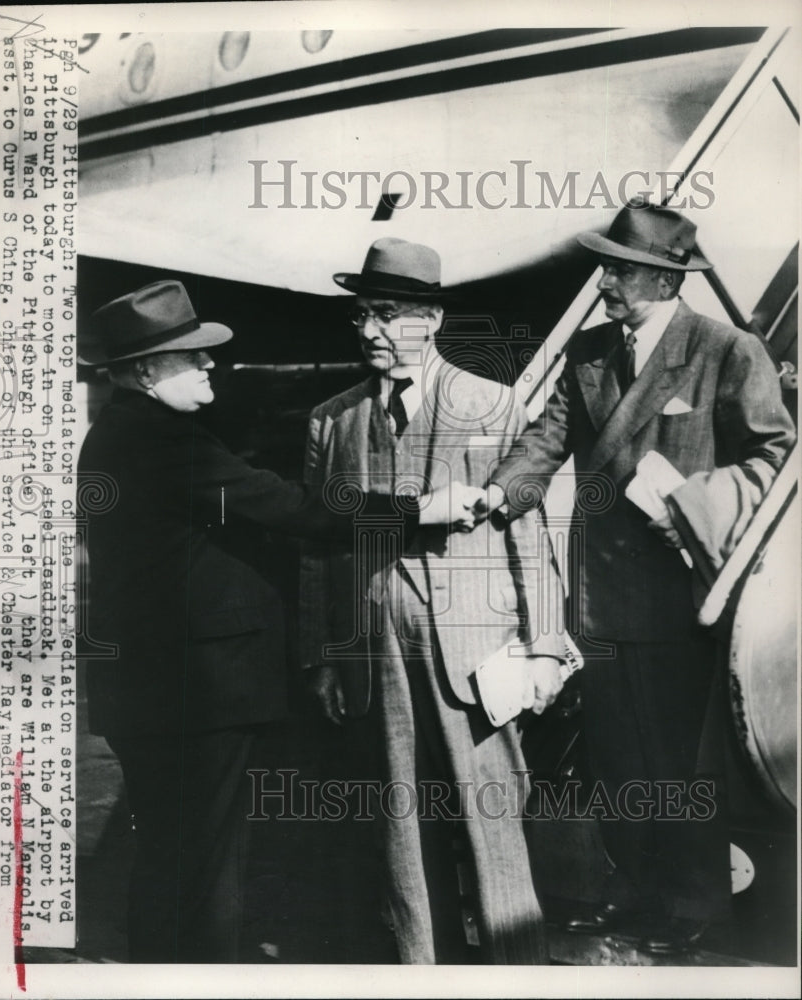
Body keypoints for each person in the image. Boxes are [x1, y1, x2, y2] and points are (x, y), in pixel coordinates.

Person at [77, 278, 478, 963]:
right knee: (201, 870)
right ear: (144, 370)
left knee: (174, 860)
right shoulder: (159, 441)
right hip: (194, 694)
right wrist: (420, 511)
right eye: (190, 356)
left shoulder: (127, 433)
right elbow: (293, 510)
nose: (210, 365)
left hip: (161, 691)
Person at [480, 201, 796, 954]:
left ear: (662, 280)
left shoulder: (726, 349)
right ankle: (642, 891)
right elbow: (546, 437)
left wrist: (688, 501)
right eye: (603, 268)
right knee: (618, 756)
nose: (603, 284)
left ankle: (693, 907)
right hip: (601, 597)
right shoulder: (589, 352)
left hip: (683, 594)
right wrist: (498, 492)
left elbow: (773, 457)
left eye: (618, 271)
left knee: (682, 764)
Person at [301, 238, 570, 964]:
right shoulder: (332, 419)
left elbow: (528, 533)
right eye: (361, 316)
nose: (369, 331)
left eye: (386, 314)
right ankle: (423, 970)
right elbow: (317, 549)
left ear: (431, 318)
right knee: (399, 821)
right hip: (371, 651)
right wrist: (322, 658)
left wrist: (545, 644)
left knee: (493, 816)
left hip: (475, 647)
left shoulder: (490, 405)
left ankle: (517, 967)